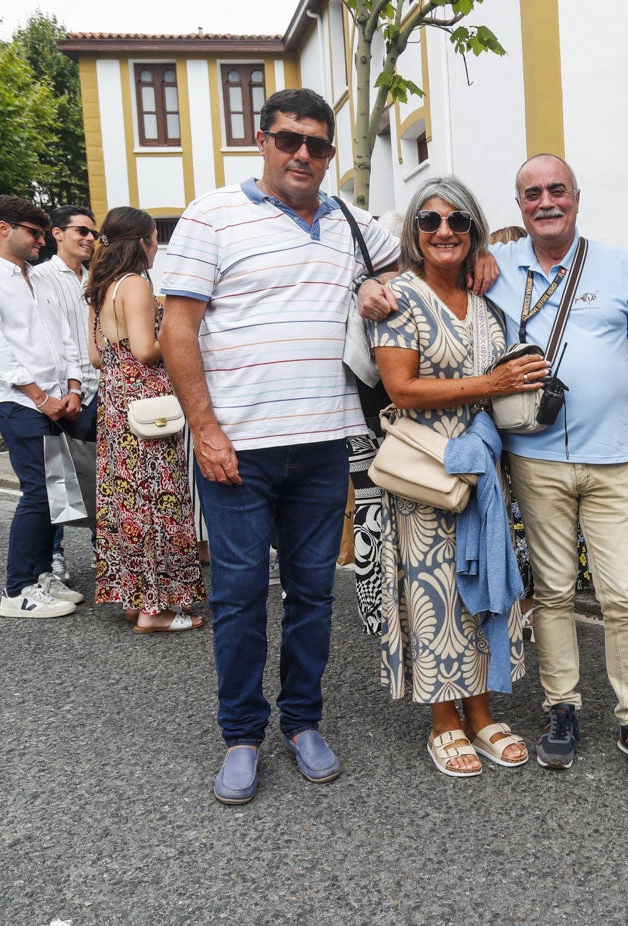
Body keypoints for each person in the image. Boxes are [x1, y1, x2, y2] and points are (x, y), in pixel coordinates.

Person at [162, 88, 401, 805]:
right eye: (290, 139)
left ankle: (302, 723)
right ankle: (241, 735)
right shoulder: (212, 216)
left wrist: (408, 281)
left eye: (318, 145)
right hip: (238, 448)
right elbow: (179, 331)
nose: (303, 154)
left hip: (325, 446)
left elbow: (407, 266)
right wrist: (204, 429)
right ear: (261, 141)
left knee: (311, 595)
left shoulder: (351, 223)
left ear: (330, 154)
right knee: (237, 597)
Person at [487, 153, 628, 779]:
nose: (546, 201)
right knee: (554, 592)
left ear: (576, 196)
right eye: (532, 192)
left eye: (556, 190)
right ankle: (561, 707)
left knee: (623, 594)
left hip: (614, 458)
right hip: (533, 460)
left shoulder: (621, 265)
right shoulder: (494, 266)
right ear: (519, 206)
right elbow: (423, 275)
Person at [370, 176, 543, 777]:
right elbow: (401, 388)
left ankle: (484, 709)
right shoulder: (399, 298)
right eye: (431, 221)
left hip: (486, 473)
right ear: (415, 233)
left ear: (474, 232)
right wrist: (490, 387)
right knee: (435, 595)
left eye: (458, 222)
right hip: (428, 472)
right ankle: (445, 719)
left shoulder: (488, 303)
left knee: (484, 589)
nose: (444, 231)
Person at [0, 195, 86, 619]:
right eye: (34, 232)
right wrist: (40, 396)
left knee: (57, 491)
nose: (42, 241)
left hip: (54, 398)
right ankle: (17, 590)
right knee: (38, 492)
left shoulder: (41, 279)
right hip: (17, 402)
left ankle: (43, 573)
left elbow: (64, 335)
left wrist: (72, 386)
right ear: (4, 229)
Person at [86, 207, 206, 634]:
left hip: (116, 406)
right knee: (158, 500)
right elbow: (144, 349)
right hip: (147, 407)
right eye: (156, 238)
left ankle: (137, 598)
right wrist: (175, 334)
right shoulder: (135, 284)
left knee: (127, 502)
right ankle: (156, 609)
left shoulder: (100, 287)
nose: (158, 247)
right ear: (141, 242)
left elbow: (97, 356)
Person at [34, 204, 100, 587]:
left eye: (93, 233)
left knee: (102, 474)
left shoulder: (95, 279)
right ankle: (54, 556)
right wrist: (60, 392)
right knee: (56, 475)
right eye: (81, 231)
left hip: (99, 389)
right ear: (57, 233)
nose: (89, 238)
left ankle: (103, 548)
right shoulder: (41, 278)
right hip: (60, 394)